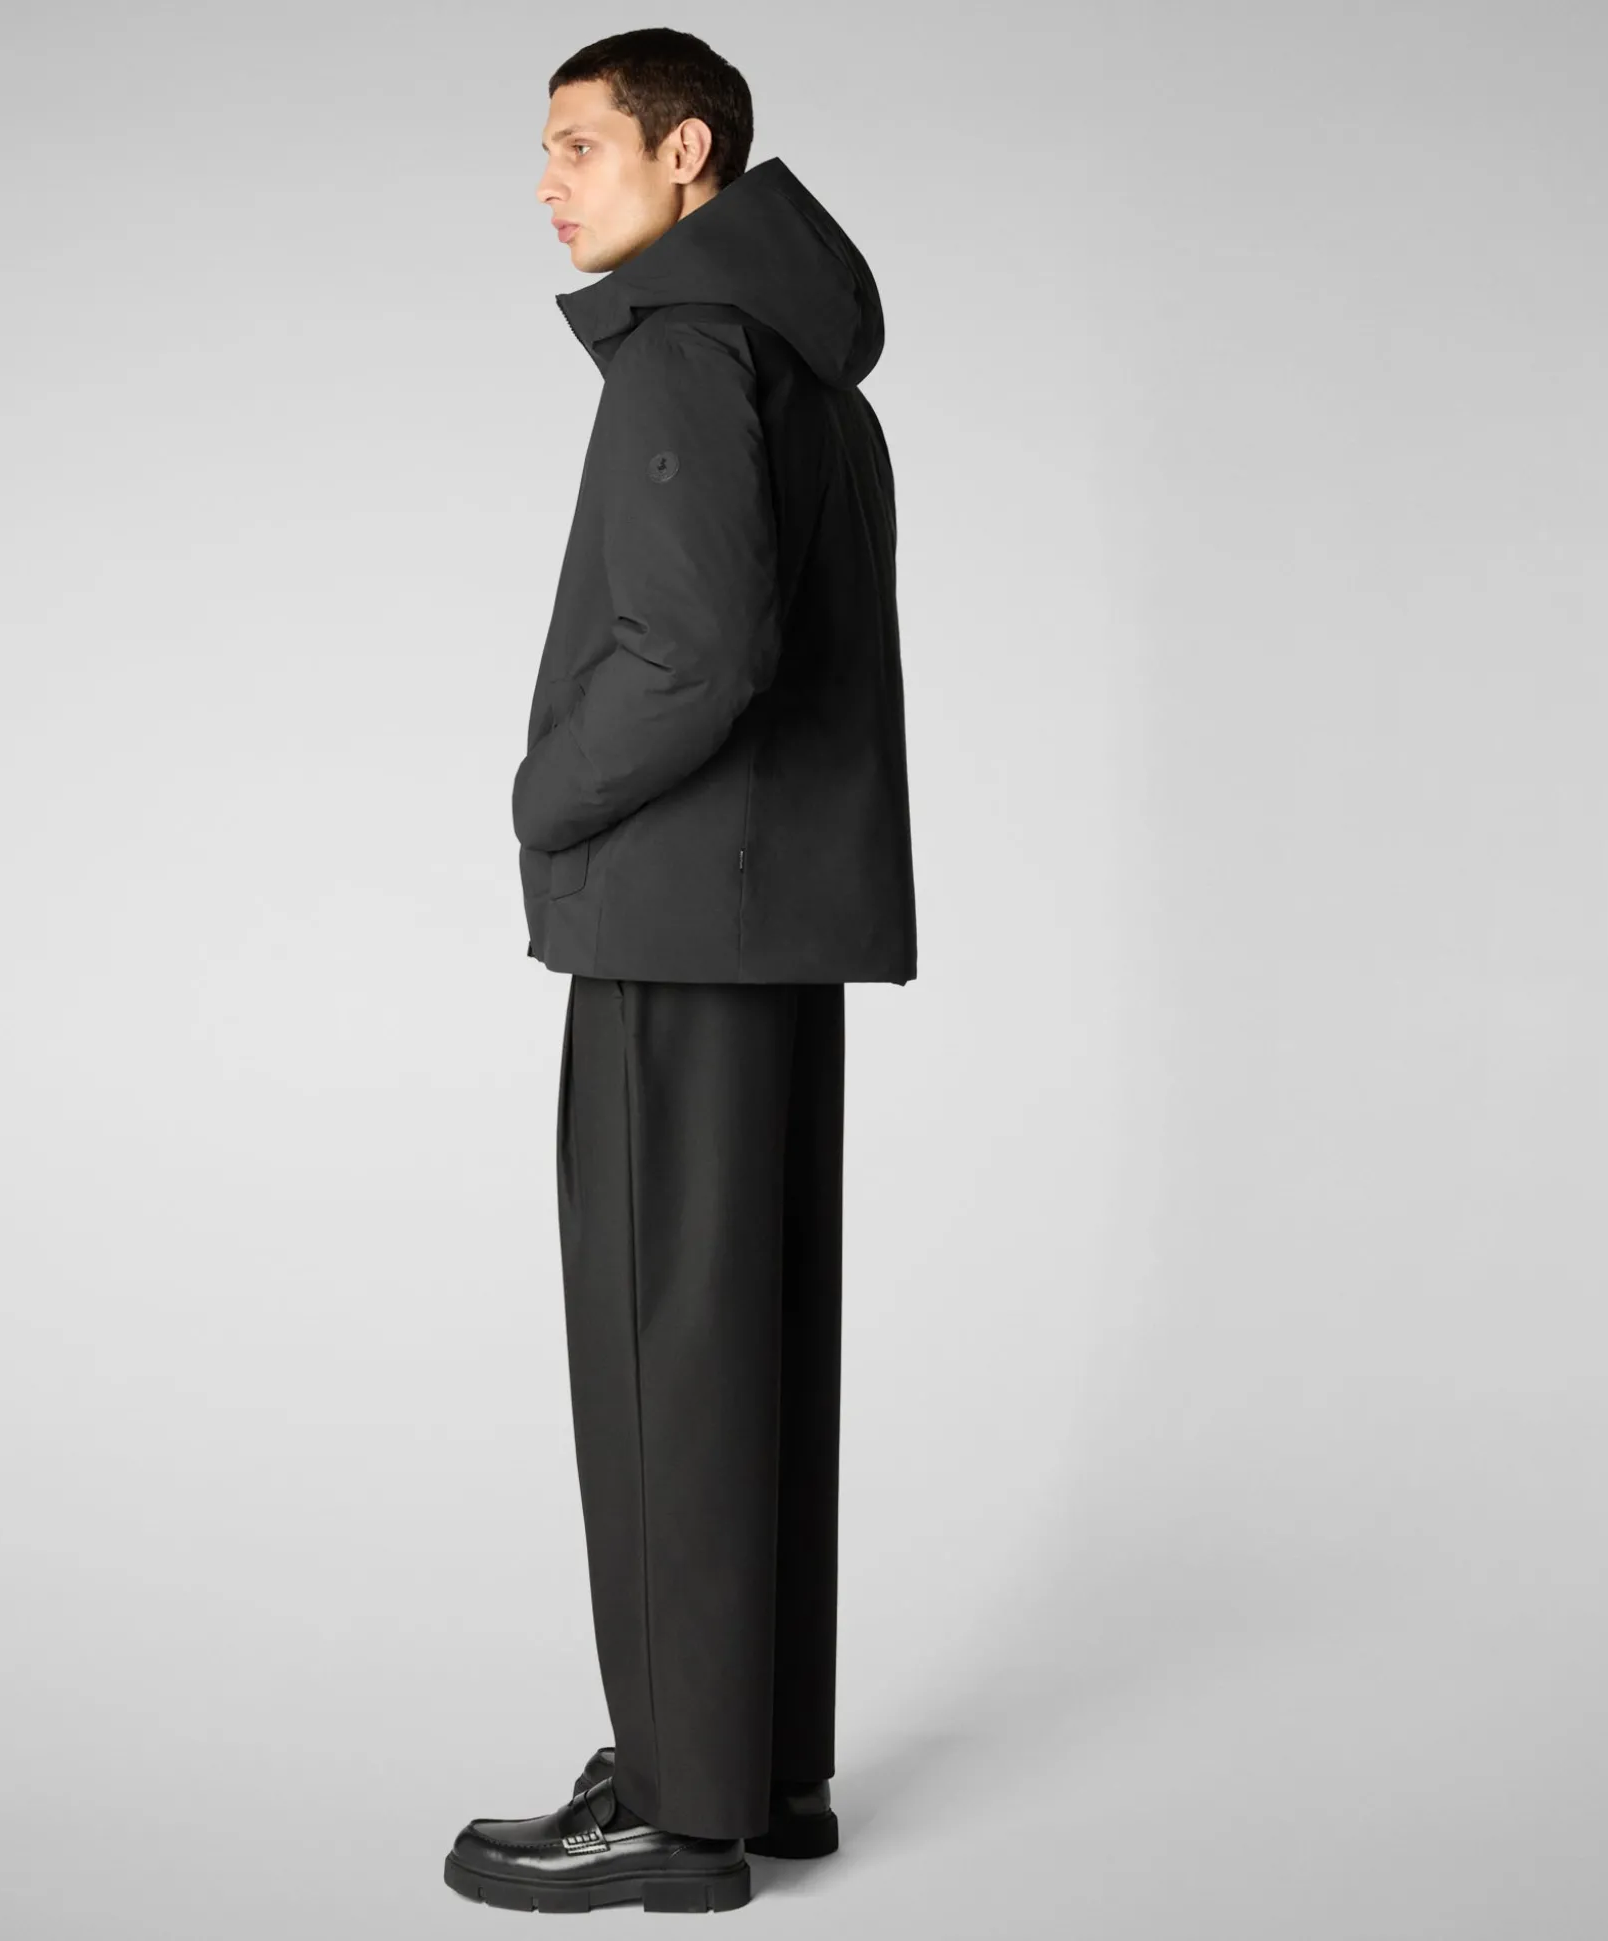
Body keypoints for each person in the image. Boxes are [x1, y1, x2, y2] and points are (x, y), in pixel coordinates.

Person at [444, 27, 917, 1916]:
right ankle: (758, 1774)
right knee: (753, 1352)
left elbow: (697, 654)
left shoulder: (680, 348)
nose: (549, 182)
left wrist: (541, 792)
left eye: (580, 145)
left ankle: (673, 1808)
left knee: (666, 1361)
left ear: (688, 152)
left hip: (671, 922)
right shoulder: (799, 364)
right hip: (773, 927)